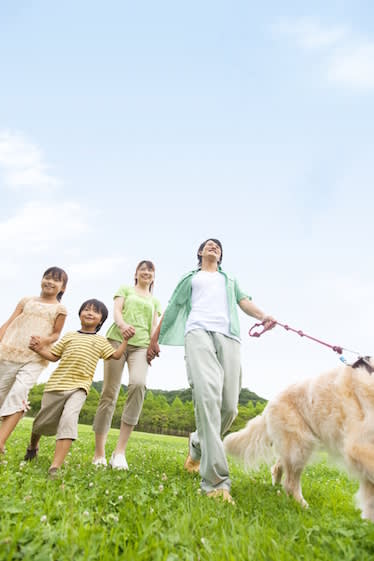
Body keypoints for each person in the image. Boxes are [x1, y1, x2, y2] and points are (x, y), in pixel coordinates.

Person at [147, 239, 275, 503]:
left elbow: (245, 302)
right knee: (207, 397)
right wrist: (154, 338)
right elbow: (171, 308)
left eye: (217, 246)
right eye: (208, 245)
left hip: (229, 337)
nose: (213, 247)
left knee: (229, 407)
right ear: (200, 252)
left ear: (221, 255)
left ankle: (197, 444)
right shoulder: (190, 279)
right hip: (198, 334)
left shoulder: (229, 279)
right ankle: (216, 482)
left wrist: (263, 316)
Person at [24, 299, 135, 478]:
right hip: (56, 385)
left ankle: (55, 467)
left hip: (79, 388)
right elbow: (53, 356)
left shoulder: (100, 341)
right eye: (86, 309)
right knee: (41, 423)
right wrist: (38, 349)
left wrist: (125, 340)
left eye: (95, 312)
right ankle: (32, 447)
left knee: (69, 419)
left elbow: (115, 355)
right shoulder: (69, 336)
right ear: (80, 314)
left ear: (101, 320)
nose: (90, 313)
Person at [92, 260, 162, 470]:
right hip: (116, 339)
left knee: (138, 384)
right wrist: (122, 326)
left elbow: (154, 326)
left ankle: (119, 452)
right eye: (143, 269)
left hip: (141, 347)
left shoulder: (155, 301)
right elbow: (117, 311)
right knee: (109, 393)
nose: (146, 272)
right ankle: (99, 453)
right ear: (136, 274)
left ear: (153, 276)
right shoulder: (125, 290)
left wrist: (153, 344)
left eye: (150, 270)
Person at [0, 266, 68, 453]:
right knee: (2, 396)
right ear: (41, 279)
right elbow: (10, 320)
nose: (50, 282)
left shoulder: (60, 309)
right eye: (47, 277)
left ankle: (1, 441)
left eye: (56, 280)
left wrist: (43, 341)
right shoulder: (26, 300)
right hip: (10, 351)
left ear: (62, 288)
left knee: (19, 391)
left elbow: (55, 334)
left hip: (35, 357)